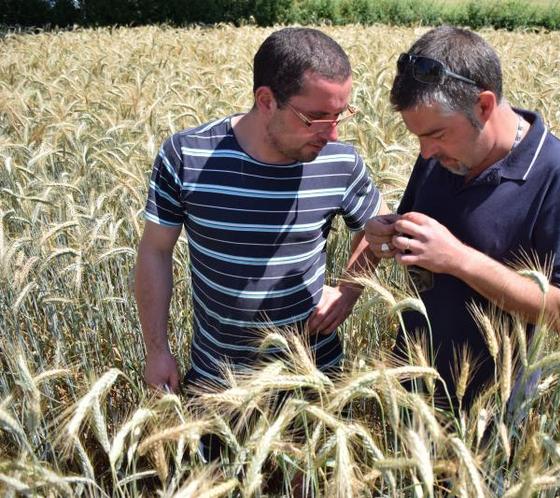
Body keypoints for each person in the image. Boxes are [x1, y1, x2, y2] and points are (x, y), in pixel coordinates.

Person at [135, 27, 386, 394]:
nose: (332, 134)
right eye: (316, 117)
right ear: (266, 100)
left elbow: (376, 226)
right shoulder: (187, 156)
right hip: (218, 382)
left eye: (340, 114)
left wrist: (348, 292)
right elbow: (155, 250)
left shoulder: (340, 162)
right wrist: (156, 351)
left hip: (314, 381)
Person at [365, 26, 560, 409]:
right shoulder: (443, 157)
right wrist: (388, 233)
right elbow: (418, 226)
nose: (425, 153)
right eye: (418, 139)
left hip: (491, 411)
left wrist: (459, 260)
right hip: (413, 389)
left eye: (437, 134)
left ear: (484, 106)